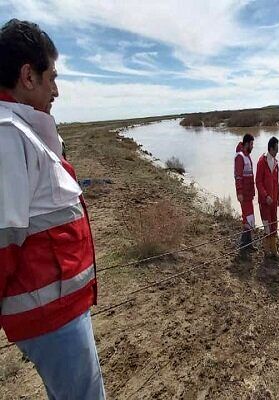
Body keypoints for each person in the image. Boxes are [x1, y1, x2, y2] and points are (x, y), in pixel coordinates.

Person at [0, 19, 105, 398]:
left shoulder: (24, 131)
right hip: (51, 316)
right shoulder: (8, 136)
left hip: (59, 310)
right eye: (52, 77)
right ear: (28, 75)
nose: (57, 89)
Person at [255, 137, 279, 258]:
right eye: (276, 149)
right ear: (271, 148)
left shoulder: (275, 163)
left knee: (274, 224)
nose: (277, 151)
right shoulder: (261, 162)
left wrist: (277, 197)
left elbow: (276, 182)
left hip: (274, 202)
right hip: (264, 202)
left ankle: (274, 250)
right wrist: (266, 196)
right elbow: (258, 182)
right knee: (267, 225)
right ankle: (266, 250)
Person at [234, 134, 256, 250]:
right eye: (252, 144)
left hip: (249, 194)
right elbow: (238, 177)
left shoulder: (247, 156)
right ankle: (244, 244)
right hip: (244, 194)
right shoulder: (240, 157)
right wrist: (239, 192)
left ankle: (248, 244)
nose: (253, 147)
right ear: (247, 144)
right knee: (247, 218)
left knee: (249, 218)